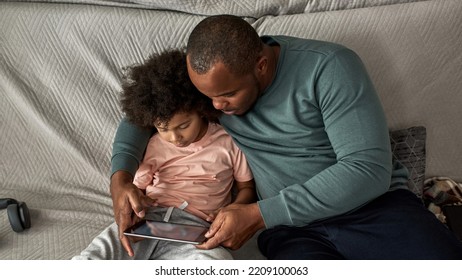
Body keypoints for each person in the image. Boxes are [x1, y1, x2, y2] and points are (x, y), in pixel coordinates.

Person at [110, 15, 462, 259]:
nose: (213, 105)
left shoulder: (330, 66)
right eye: (207, 97)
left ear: (261, 66)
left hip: (374, 210)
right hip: (291, 230)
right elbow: (142, 113)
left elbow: (367, 169)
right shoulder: (209, 79)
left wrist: (260, 214)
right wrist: (121, 178)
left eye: (227, 96)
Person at [73, 49, 255, 260]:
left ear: (200, 109)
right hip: (149, 221)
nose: (175, 137)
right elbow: (139, 187)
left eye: (184, 126)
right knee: (97, 254)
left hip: (197, 228)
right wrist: (136, 203)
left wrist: (233, 209)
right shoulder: (154, 145)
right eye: (163, 129)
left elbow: (246, 187)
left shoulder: (228, 142)